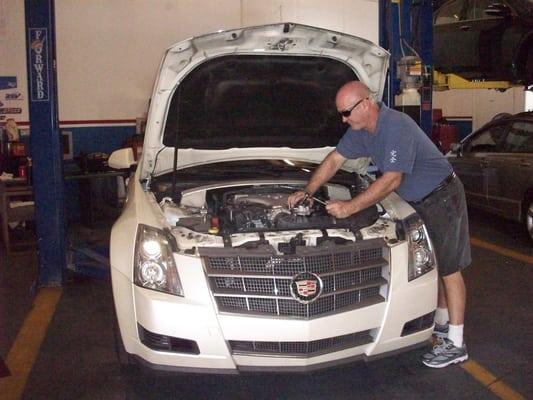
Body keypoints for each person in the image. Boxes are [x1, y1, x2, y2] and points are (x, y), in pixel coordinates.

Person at [288, 81, 471, 368]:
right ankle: (443, 323)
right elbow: (335, 160)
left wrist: (350, 207)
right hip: (417, 200)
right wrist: (308, 191)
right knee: (434, 263)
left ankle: (457, 344)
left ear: (364, 104)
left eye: (346, 113)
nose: (344, 119)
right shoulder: (362, 132)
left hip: (441, 195)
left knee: (449, 267)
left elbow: (392, 179)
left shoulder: (396, 126)